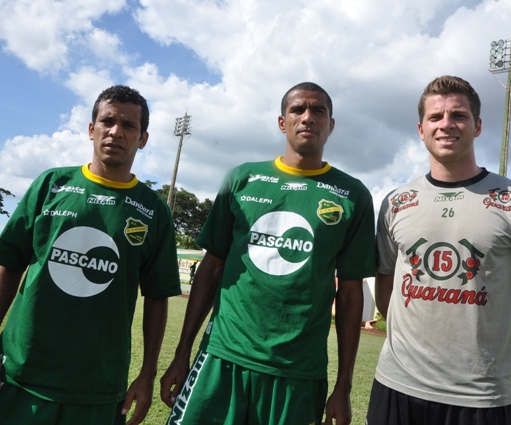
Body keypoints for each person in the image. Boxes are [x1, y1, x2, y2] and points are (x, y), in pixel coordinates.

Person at [160, 82, 376, 424]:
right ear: (282, 122)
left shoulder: (352, 195)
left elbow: (350, 293)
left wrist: (344, 385)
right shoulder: (243, 179)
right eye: (298, 109)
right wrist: (182, 351)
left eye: (318, 111)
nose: (308, 117)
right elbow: (211, 268)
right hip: (223, 356)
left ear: (331, 125)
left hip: (298, 373)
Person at [0, 85, 182, 425]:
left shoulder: (154, 211)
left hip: (98, 388)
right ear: (91, 129)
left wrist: (147, 374)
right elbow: (9, 265)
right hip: (18, 375)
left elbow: (158, 297)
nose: (116, 131)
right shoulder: (51, 185)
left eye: (129, 125)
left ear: (143, 138)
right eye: (107, 121)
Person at [367, 75, 511, 425]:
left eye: (458, 115)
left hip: (481, 398)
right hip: (396, 385)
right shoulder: (396, 202)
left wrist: (491, 360)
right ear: (421, 129)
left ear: (478, 126)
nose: (446, 124)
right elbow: (386, 290)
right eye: (435, 117)